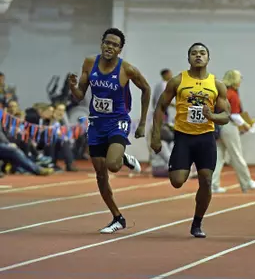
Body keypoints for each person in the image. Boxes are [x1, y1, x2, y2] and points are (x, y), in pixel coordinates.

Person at [69, 27, 151, 234]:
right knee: (100, 175)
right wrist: (72, 87)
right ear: (101, 44)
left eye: (115, 45)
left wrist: (141, 123)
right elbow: (80, 96)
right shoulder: (89, 63)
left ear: (120, 50)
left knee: (113, 165)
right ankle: (117, 217)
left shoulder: (127, 69)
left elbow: (146, 89)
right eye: (107, 43)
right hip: (96, 122)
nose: (110, 47)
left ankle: (122, 158)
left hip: (117, 121)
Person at [151, 42, 231, 238]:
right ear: (188, 58)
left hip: (205, 138)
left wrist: (212, 116)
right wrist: (156, 135)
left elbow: (226, 115)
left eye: (202, 53)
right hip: (184, 137)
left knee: (206, 180)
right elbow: (160, 107)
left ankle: (197, 222)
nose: (198, 56)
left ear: (208, 58)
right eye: (194, 53)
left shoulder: (216, 84)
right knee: (177, 181)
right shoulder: (177, 81)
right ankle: (179, 168)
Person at [211, 70, 255, 193]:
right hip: (228, 126)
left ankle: (212, 185)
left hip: (218, 126)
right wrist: (245, 125)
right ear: (234, 79)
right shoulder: (232, 94)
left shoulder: (222, 92)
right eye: (239, 79)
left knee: (218, 157)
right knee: (236, 155)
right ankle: (247, 182)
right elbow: (234, 115)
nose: (240, 82)